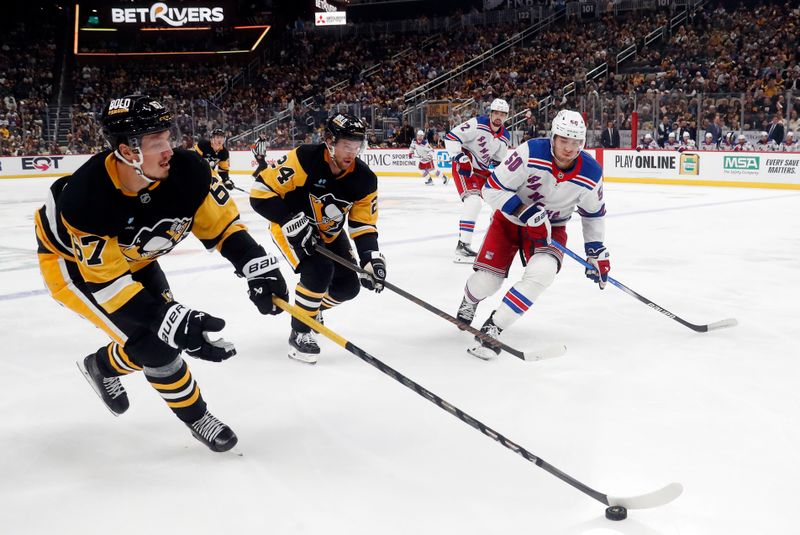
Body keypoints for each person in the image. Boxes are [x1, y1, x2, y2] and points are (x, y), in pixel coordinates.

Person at [33, 95, 288, 452]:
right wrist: (167, 320)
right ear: (127, 150)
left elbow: (222, 226)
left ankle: (102, 365)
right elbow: (106, 283)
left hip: (135, 259)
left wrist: (254, 265)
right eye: (156, 143)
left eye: (167, 138)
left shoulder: (191, 171)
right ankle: (197, 416)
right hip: (75, 269)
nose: (168, 150)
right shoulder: (86, 198)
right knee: (158, 344)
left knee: (159, 334)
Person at [455, 110, 607, 360]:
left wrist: (596, 250)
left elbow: (594, 213)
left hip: (552, 228)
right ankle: (470, 300)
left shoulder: (591, 172)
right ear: (553, 137)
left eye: (576, 142)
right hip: (509, 220)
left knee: (543, 272)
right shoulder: (530, 152)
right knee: (486, 283)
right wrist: (524, 211)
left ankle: (494, 327)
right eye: (564, 140)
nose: (569, 148)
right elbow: (491, 189)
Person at [249, 113, 385, 364]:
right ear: (330, 141)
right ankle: (300, 331)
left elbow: (363, 224)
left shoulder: (365, 179)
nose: (352, 152)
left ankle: (311, 309)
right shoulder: (305, 158)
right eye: (347, 145)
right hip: (290, 229)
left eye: (357, 147)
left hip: (329, 233)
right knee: (319, 270)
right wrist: (289, 220)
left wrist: (370, 258)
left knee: (348, 287)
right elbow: (259, 192)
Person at [444, 98, 511, 263]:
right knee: (473, 202)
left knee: (500, 204)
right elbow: (451, 137)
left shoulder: (505, 136)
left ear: (506, 116)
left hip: (482, 172)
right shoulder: (477, 123)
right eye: (496, 113)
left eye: (502, 114)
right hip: (465, 167)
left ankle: (494, 243)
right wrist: (460, 158)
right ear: (490, 113)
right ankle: (463, 246)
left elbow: (497, 160)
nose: (498, 117)